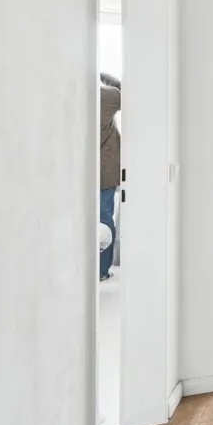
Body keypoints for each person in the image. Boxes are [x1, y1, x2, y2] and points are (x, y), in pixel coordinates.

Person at [100, 73, 121, 279]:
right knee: (104, 217)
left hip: (78, 172)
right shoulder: (107, 96)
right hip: (105, 171)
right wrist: (101, 75)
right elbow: (127, 92)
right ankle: (101, 270)